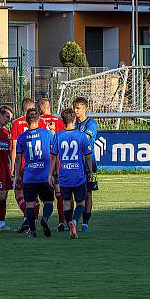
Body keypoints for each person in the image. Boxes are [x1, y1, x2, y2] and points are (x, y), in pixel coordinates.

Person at [51, 107, 94, 239]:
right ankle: (74, 221)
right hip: (78, 175)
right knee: (80, 202)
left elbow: (53, 156)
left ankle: (69, 222)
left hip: (64, 176)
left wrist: (50, 174)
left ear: (62, 121)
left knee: (66, 202)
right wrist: (90, 171)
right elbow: (88, 156)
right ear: (74, 119)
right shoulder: (81, 135)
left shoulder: (58, 135)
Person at [14, 108, 55, 238]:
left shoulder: (21, 137)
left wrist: (16, 176)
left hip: (29, 177)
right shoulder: (47, 134)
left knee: (30, 205)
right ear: (39, 119)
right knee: (48, 202)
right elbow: (54, 152)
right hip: (44, 176)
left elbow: (18, 159)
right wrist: (54, 172)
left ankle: (33, 231)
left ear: (26, 120)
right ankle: (45, 219)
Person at [38, 97, 67, 232]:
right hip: (58, 161)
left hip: (43, 162)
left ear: (40, 107)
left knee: (43, 196)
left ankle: (40, 219)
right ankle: (62, 222)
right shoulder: (59, 121)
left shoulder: (38, 122)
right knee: (59, 193)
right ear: (49, 106)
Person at [10, 98, 36, 231]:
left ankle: (28, 217)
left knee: (18, 193)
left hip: (22, 165)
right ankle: (31, 219)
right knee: (34, 195)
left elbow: (14, 147)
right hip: (37, 165)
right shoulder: (39, 122)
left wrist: (13, 166)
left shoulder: (16, 123)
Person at [74, 97, 99, 232]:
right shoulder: (73, 123)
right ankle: (71, 221)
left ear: (85, 109)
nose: (76, 110)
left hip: (89, 163)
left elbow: (85, 139)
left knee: (88, 193)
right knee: (74, 192)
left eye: (78, 108)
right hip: (74, 163)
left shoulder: (91, 124)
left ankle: (85, 223)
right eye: (75, 107)